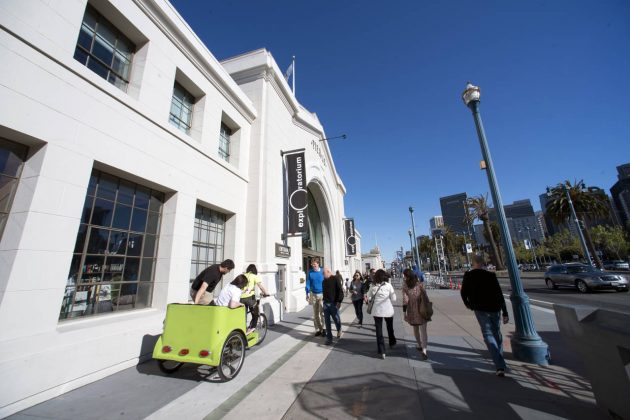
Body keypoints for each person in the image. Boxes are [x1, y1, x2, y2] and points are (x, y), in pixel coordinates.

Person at [461, 254, 510, 377]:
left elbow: (463, 293)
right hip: (495, 308)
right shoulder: (490, 275)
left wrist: (468, 304)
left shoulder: (469, 275)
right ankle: (499, 361)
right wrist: (505, 312)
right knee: (497, 333)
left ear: (473, 263)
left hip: (480, 309)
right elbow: (499, 294)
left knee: (488, 334)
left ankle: (499, 364)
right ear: (483, 263)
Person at [365, 269, 397, 359]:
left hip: (377, 310)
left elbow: (369, 296)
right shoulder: (388, 285)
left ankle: (381, 350)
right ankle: (392, 342)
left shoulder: (372, 285)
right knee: (389, 327)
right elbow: (394, 298)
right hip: (388, 310)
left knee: (379, 330)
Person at [402, 269, 429, 360]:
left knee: (415, 328)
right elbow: (425, 296)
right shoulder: (420, 284)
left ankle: (419, 344)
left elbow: (405, 300)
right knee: (424, 331)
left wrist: (404, 313)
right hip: (422, 309)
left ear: (407, 276)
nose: (404, 277)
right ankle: (424, 350)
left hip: (412, 310)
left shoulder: (405, 285)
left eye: (404, 275)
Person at [241, 264, 270, 334]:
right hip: (250, 298)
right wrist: (266, 293)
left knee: (242, 316)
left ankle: (242, 331)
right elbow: (260, 286)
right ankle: (251, 328)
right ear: (255, 270)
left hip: (241, 298)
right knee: (255, 314)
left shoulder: (243, 275)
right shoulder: (254, 276)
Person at [322, 267, 343, 345]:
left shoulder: (335, 279)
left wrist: (339, 301)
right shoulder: (323, 281)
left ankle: (339, 329)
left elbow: (340, 291)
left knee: (336, 319)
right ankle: (329, 338)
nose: (322, 275)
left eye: (323, 273)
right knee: (327, 322)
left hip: (334, 304)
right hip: (325, 304)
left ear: (328, 272)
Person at [306, 258, 325, 336]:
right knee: (315, 313)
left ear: (318, 264)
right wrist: (306, 293)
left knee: (322, 313)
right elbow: (308, 283)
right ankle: (318, 329)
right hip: (313, 294)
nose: (313, 265)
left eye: (314, 264)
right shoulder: (310, 272)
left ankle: (323, 329)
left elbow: (327, 282)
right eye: (312, 264)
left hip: (322, 295)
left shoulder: (322, 271)